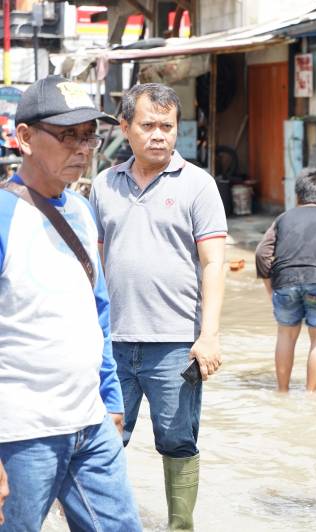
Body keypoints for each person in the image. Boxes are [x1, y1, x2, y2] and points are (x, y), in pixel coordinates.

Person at [0, 75, 141, 530]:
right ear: (24, 138)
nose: (82, 149)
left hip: (90, 425)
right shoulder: (4, 219)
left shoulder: (80, 212)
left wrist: (111, 400)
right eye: (67, 136)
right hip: (20, 436)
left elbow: (96, 313)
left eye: (89, 137)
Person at [90, 83, 227, 531]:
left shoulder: (198, 185)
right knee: (103, 442)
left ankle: (179, 526)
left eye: (167, 127)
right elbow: (91, 265)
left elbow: (214, 263)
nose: (158, 135)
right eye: (147, 125)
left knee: (178, 441)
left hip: (175, 344)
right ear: (125, 128)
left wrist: (208, 336)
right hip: (111, 343)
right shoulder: (104, 185)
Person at [255, 167, 316, 392]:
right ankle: (312, 394)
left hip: (285, 282)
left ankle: (282, 391)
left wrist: (271, 287)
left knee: (286, 335)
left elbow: (262, 253)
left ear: (297, 195)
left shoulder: (283, 218)